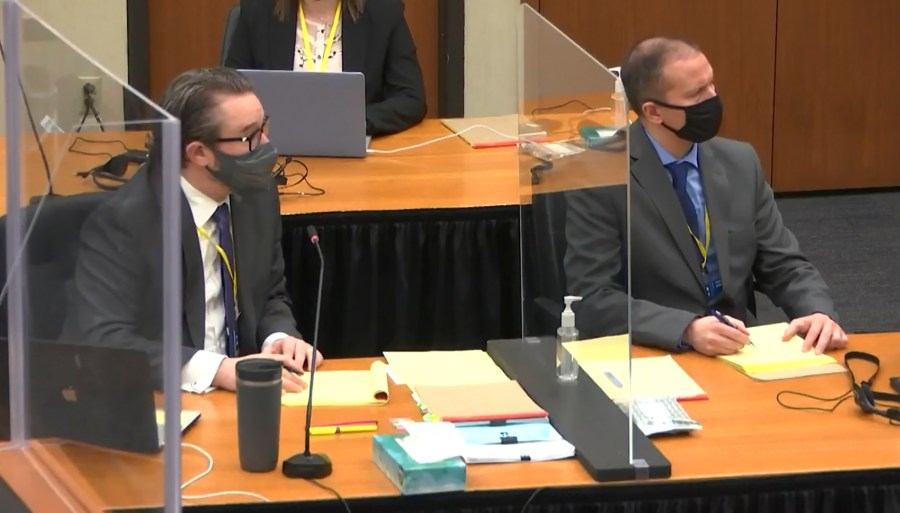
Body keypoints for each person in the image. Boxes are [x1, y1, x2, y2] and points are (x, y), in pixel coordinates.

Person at [564, 36, 848, 356]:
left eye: (711, 85)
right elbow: (591, 297)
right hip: (654, 352)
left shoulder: (740, 161)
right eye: (697, 93)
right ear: (654, 112)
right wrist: (685, 329)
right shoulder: (600, 175)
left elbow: (783, 263)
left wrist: (816, 310)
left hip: (739, 349)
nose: (712, 98)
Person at [66, 67, 322, 393]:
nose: (266, 144)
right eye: (249, 136)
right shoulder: (127, 220)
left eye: (264, 127)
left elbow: (270, 291)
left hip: (247, 394)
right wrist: (218, 371)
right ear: (198, 152)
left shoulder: (256, 193)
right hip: (166, 400)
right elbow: (102, 342)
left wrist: (281, 337)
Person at [225, 0, 426, 136]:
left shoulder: (383, 10)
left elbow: (411, 98)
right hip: (274, 148)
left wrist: (355, 122)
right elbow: (228, 91)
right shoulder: (258, 10)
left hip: (354, 151)